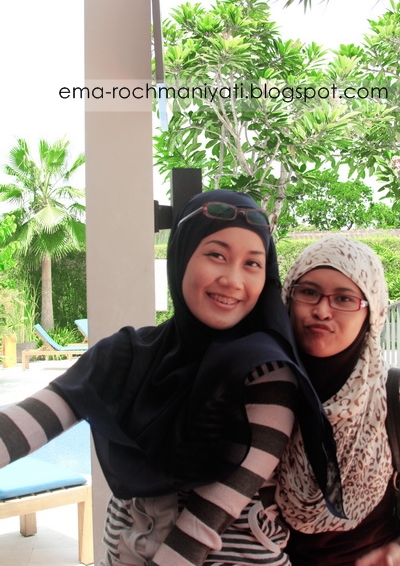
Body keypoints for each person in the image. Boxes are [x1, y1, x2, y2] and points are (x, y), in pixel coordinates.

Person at [0, 190, 342, 566]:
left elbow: (207, 520)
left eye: (252, 264)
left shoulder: (266, 371)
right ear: (181, 255)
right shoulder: (127, 353)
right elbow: (30, 420)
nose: (233, 280)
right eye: (217, 255)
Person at [275, 234, 400, 566]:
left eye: (344, 298)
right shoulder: (262, 392)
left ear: (371, 312)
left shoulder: (393, 398)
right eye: (308, 292)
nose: (321, 310)